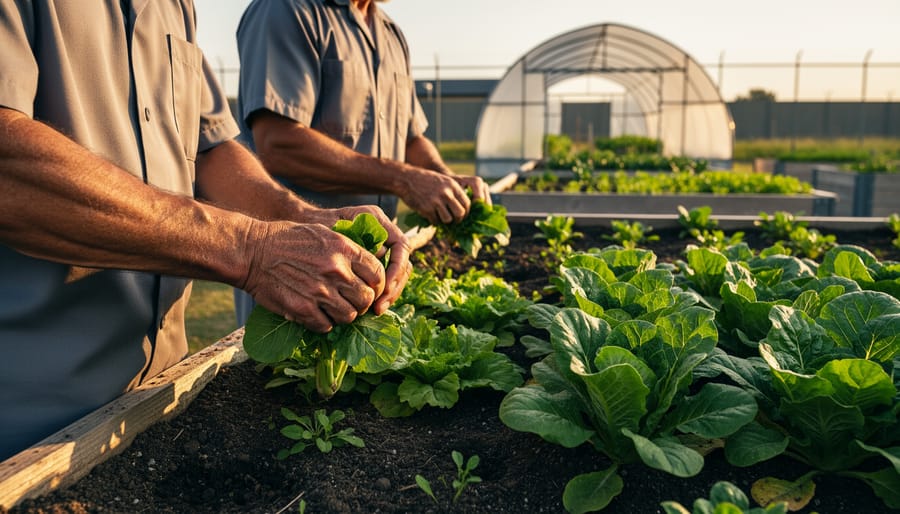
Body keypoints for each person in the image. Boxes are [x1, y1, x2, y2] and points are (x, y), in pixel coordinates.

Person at [0, 0, 411, 461]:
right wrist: (250, 249)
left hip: (157, 402)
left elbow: (211, 148)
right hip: (25, 424)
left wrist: (301, 216)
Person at [232, 0, 491, 325]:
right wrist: (404, 179)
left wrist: (444, 179)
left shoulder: (390, 33)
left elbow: (410, 137)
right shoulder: (288, 10)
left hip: (375, 270)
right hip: (297, 270)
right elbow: (279, 143)